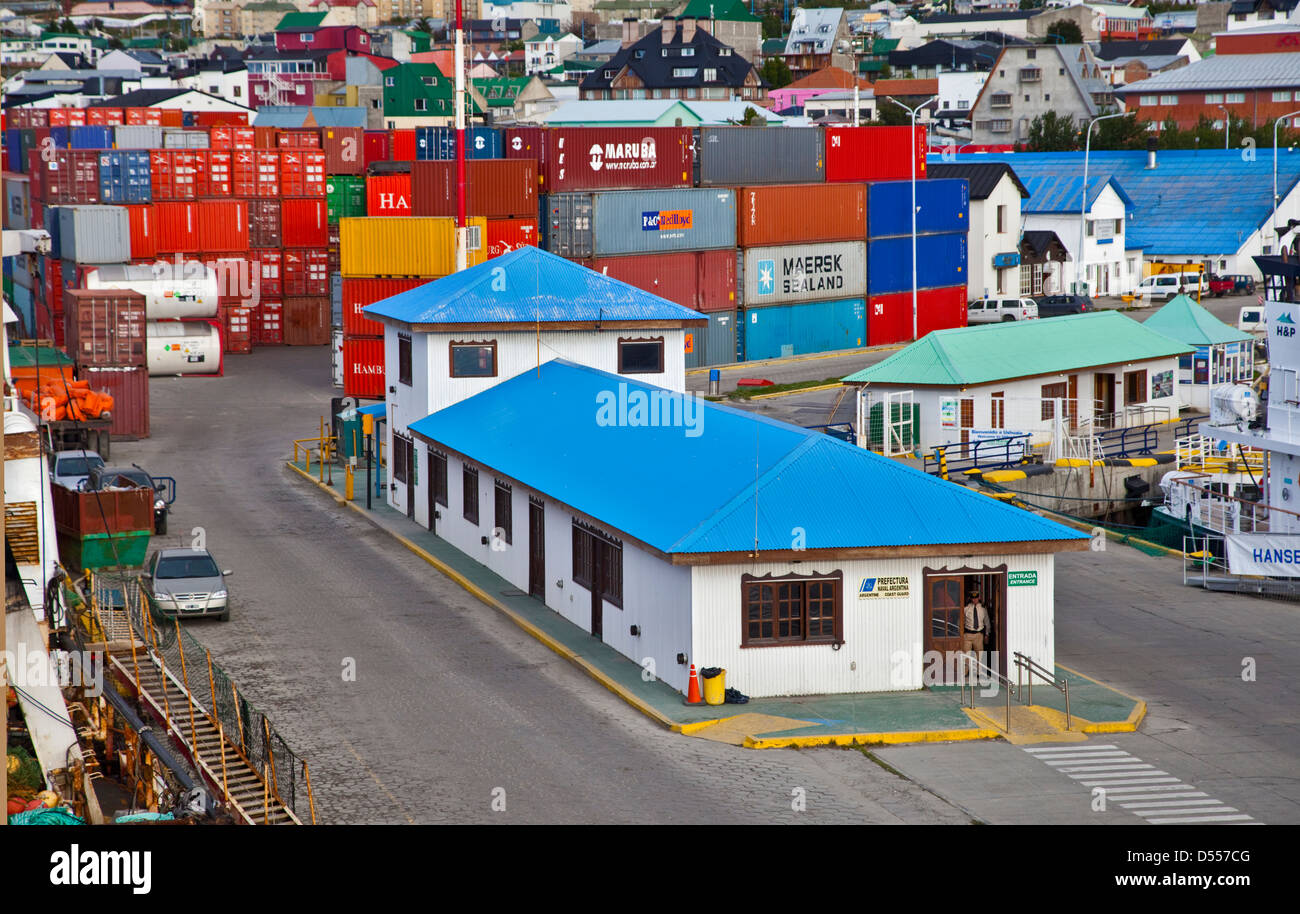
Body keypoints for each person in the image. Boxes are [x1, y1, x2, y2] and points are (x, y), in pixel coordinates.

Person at [962, 589, 989, 678]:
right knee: (966, 654)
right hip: (968, 634)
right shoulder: (966, 608)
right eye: (973, 598)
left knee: (979, 654)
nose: (975, 600)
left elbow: (987, 622)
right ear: (970, 599)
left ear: (979, 598)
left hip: (978, 635)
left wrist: (987, 634)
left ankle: (979, 672)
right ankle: (965, 672)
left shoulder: (983, 608)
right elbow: (961, 620)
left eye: (976, 598)